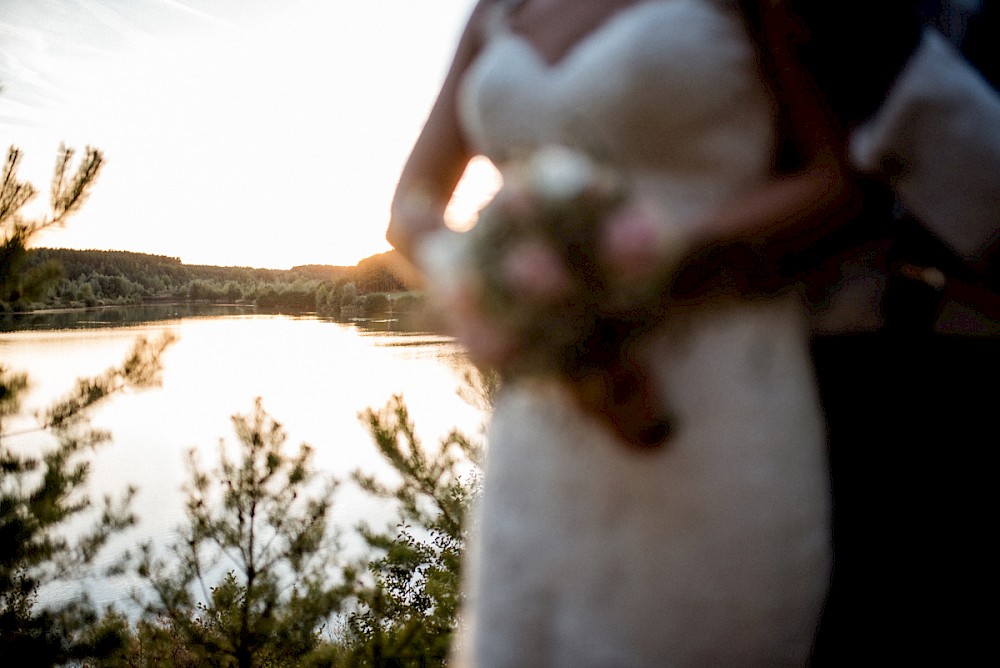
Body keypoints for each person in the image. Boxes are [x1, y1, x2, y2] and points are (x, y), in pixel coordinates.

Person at [388, 1, 853, 664]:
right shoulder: (497, 10)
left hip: (714, 390)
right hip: (550, 407)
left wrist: (643, 270)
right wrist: (499, 291)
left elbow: (838, 181)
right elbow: (410, 207)